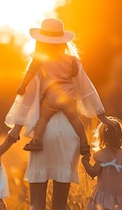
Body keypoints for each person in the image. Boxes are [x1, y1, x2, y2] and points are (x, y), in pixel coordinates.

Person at [6, 18, 111, 210]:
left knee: (36, 201)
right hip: (69, 135)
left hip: (46, 131)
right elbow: (87, 91)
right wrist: (102, 115)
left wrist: (16, 129)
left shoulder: (39, 62)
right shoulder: (73, 63)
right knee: (59, 203)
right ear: (62, 40)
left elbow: (26, 97)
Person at [15, 18, 111, 155]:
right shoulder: (72, 60)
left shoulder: (40, 58)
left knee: (43, 118)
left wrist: (22, 86)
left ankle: (37, 141)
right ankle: (84, 143)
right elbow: (80, 80)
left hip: (51, 99)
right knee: (74, 119)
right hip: (68, 98)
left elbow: (30, 73)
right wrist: (101, 115)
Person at [81, 118, 122, 210]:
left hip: (103, 194)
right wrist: (118, 163)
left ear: (102, 136)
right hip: (118, 192)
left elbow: (93, 172)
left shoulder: (101, 155)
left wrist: (85, 162)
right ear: (120, 136)